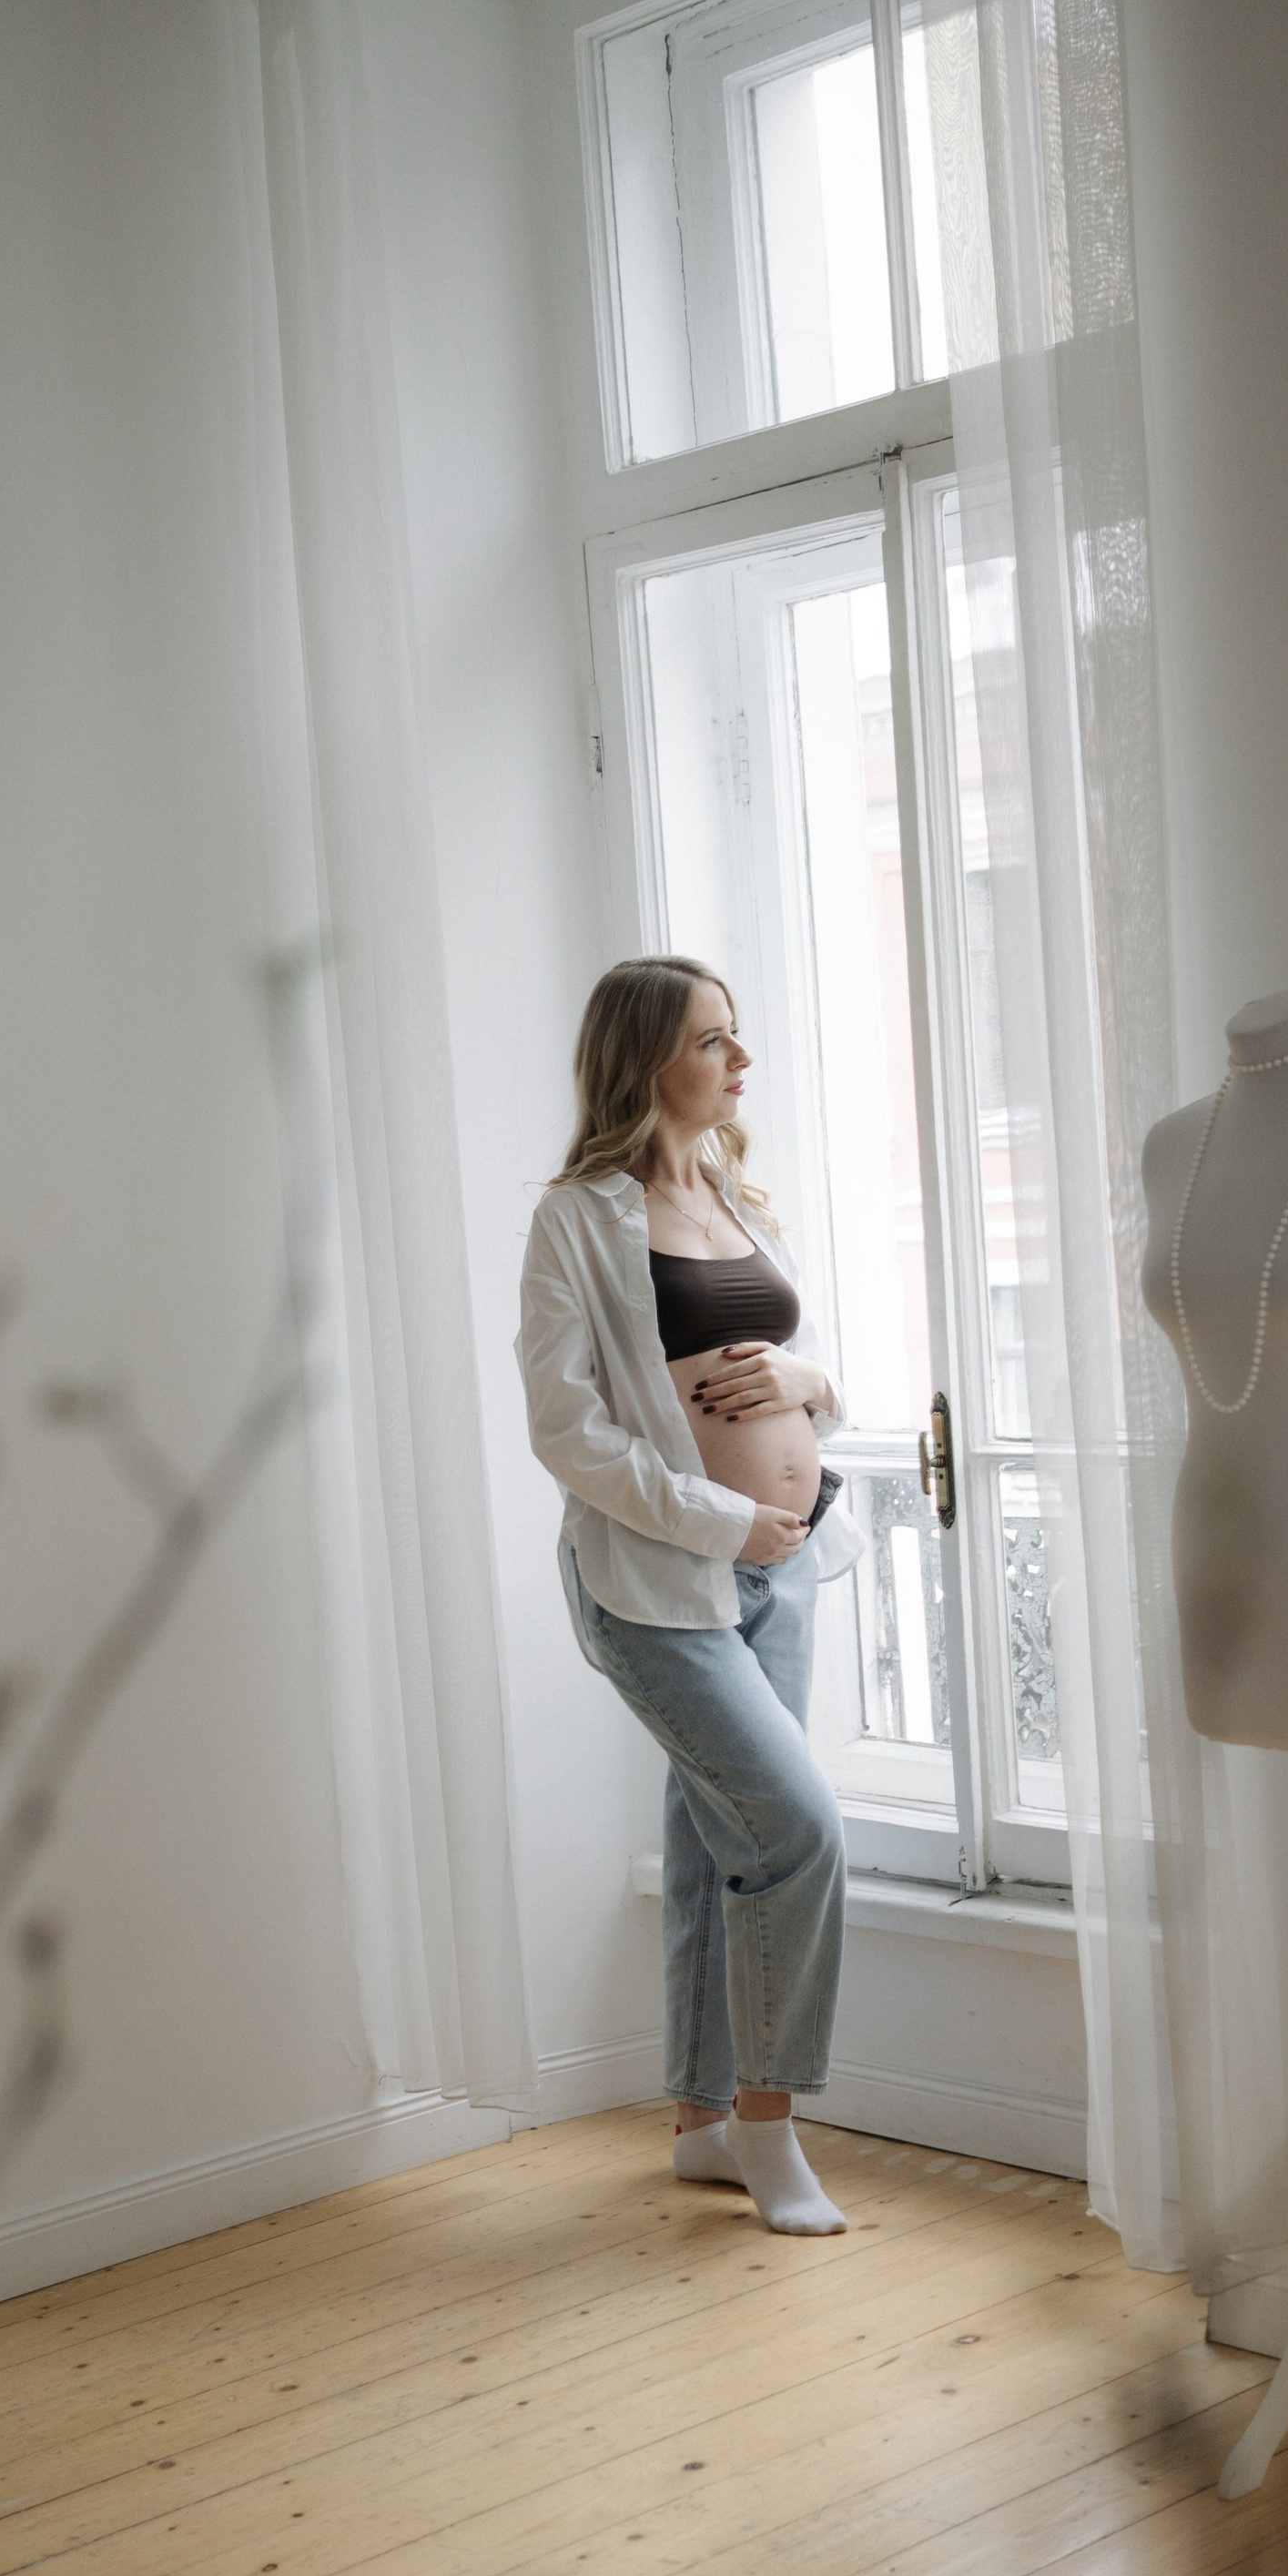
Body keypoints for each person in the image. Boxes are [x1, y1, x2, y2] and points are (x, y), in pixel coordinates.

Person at [520, 958, 867, 2236]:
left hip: (790, 1568)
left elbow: (805, 1376)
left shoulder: (735, 1195)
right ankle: (770, 2133)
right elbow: (571, 1436)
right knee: (794, 1831)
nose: (741, 1061)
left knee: (717, 1834)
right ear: (647, 1061)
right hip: (662, 1582)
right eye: (716, 1041)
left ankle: (701, 2123)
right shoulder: (579, 1219)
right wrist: (731, 1517)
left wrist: (810, 1390)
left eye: (738, 1035)